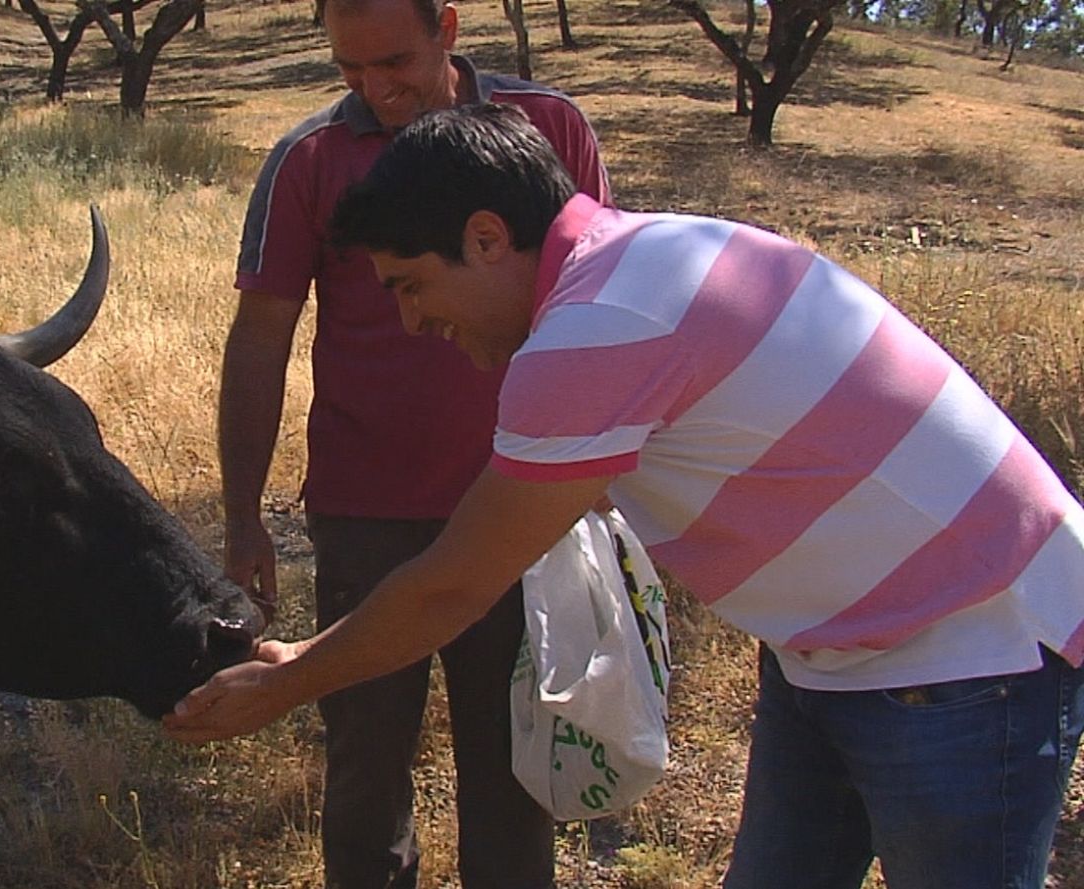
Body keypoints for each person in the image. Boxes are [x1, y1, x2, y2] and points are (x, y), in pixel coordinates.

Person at [173, 102, 1084, 889]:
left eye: (413, 286)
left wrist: (288, 682)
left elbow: (452, 584)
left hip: (964, 654)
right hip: (834, 650)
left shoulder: (591, 333)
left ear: (487, 237)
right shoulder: (644, 256)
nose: (414, 322)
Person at [218, 1, 609, 886]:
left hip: (517, 505)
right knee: (364, 764)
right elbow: (259, 341)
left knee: (514, 765)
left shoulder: (547, 129)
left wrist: (598, 488)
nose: (375, 89)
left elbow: (597, 296)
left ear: (450, 27)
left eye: (394, 62)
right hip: (368, 514)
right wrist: (243, 516)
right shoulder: (309, 159)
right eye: (350, 70)